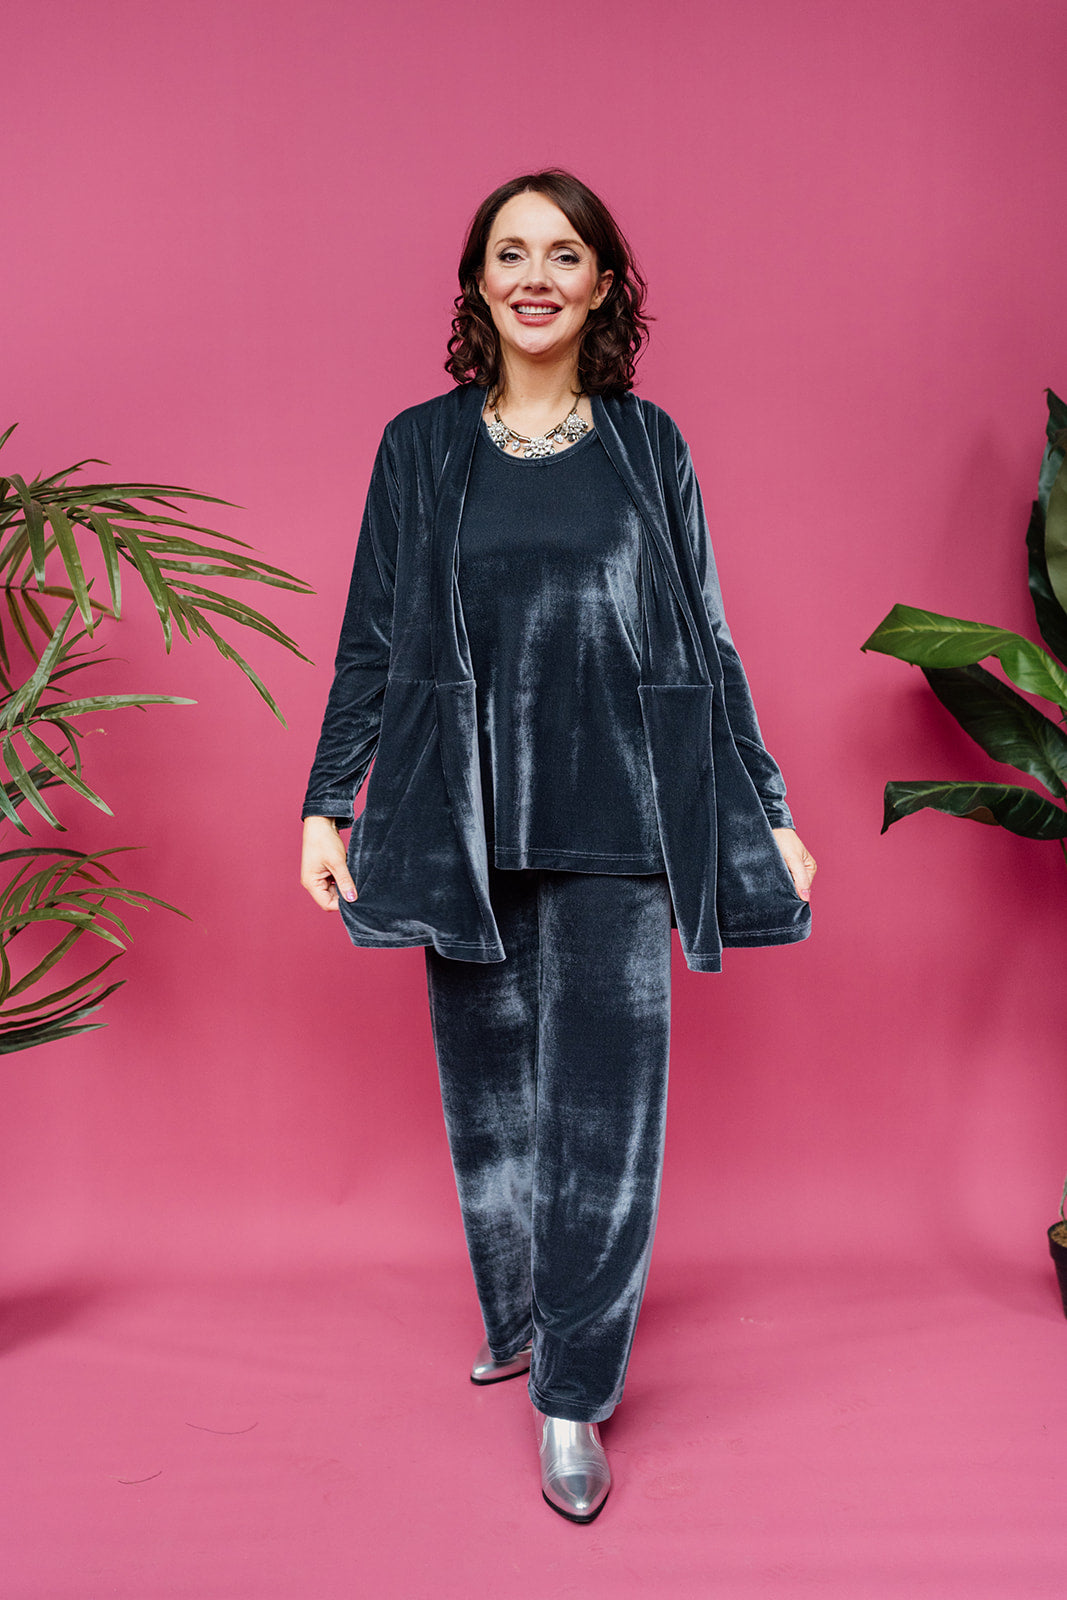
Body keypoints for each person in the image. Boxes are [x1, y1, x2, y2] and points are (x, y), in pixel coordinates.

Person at [300, 169, 816, 1524]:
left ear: (602, 287)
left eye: (565, 254)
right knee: (489, 1104)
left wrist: (769, 809)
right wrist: (326, 801)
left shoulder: (650, 446)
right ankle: (526, 1314)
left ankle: (575, 1394)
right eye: (513, 252)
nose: (537, 275)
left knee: (602, 1119)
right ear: (479, 281)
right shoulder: (419, 448)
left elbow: (707, 640)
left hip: (620, 825)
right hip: (460, 823)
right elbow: (370, 639)